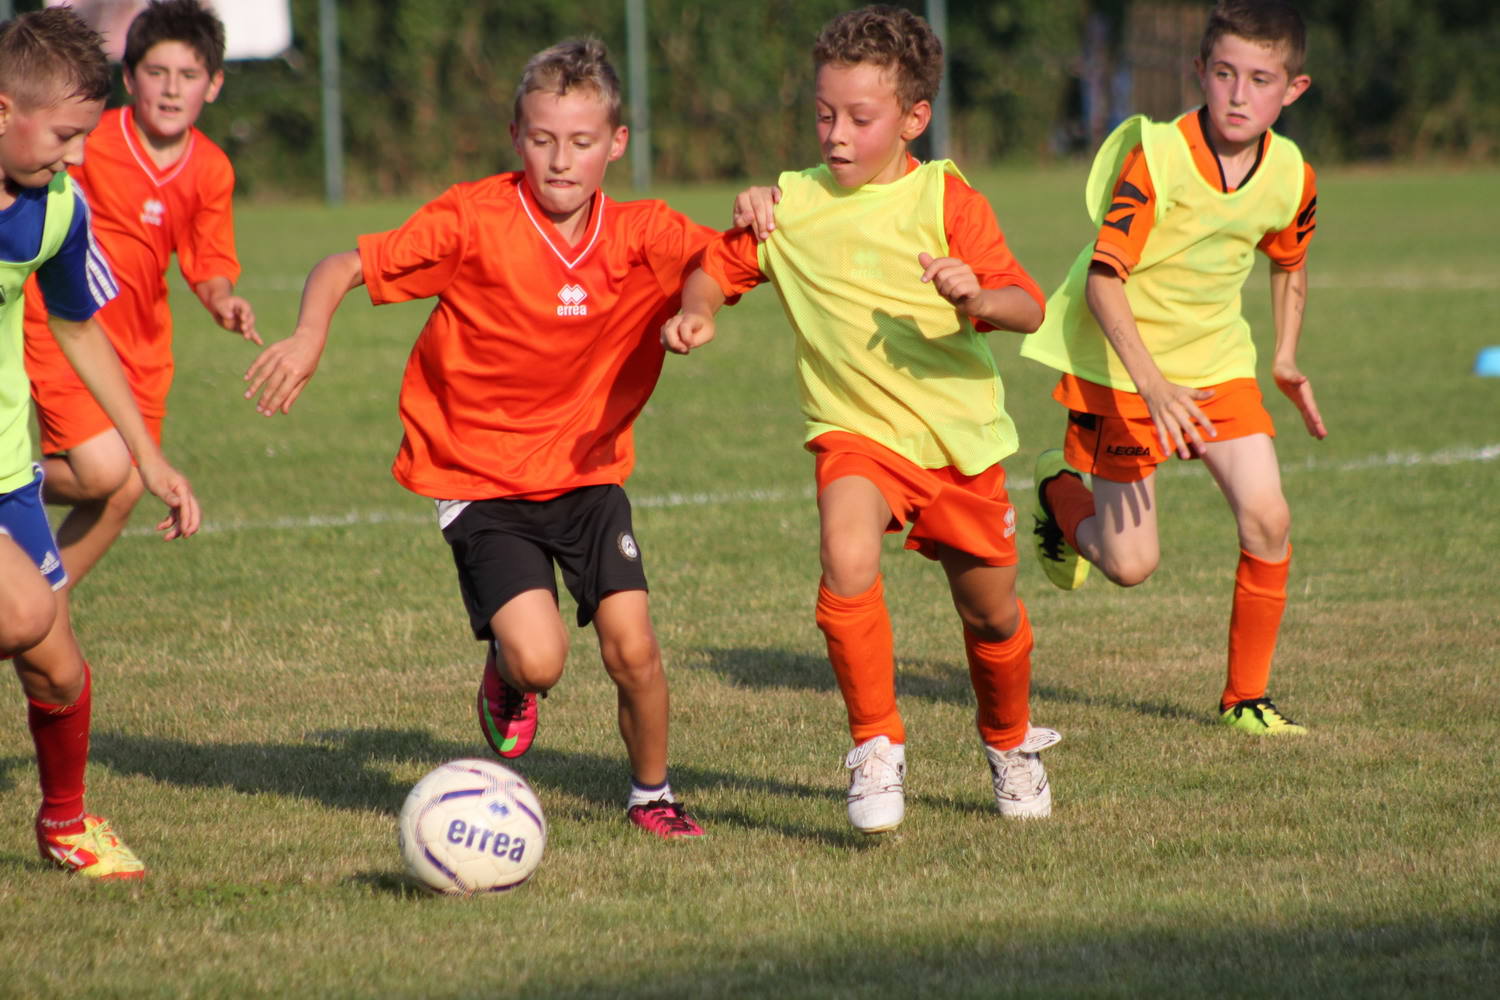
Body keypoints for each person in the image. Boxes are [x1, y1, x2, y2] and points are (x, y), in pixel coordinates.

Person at [244, 39, 714, 839]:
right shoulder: (473, 218)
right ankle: (506, 668)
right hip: (480, 477)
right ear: (515, 135)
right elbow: (343, 263)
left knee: (634, 647)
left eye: (582, 142)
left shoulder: (642, 231)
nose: (560, 161)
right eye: (541, 140)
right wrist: (310, 334)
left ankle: (652, 797)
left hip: (587, 474)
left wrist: (697, 305)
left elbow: (715, 256)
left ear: (617, 144)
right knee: (542, 660)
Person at [663, 5, 1060, 834]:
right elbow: (715, 264)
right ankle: (877, 746)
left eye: (859, 118)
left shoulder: (945, 197)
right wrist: (700, 310)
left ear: (914, 118)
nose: (835, 134)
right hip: (856, 435)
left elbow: (1028, 307)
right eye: (822, 113)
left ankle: (1010, 740)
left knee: (990, 614)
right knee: (844, 557)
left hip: (958, 446)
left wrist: (976, 296)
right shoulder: (790, 205)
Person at [1021, 0, 1324, 735]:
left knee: (1269, 517)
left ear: (1294, 89)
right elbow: (1102, 280)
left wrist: (1284, 356)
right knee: (1130, 565)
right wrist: (1153, 388)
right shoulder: (1156, 158)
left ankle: (1245, 698)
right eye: (1225, 74)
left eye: (1261, 79)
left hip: (1218, 367)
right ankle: (1059, 497)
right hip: (1126, 373)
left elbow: (1289, 262)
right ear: (1200, 73)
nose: (1240, 94)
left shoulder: (1293, 176)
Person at [0, 7, 200, 879]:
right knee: (23, 611)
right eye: (66, 135)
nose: (78, 156)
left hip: (8, 469)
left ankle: (65, 824)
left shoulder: (55, 210)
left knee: (57, 669)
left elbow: (80, 329)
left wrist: (146, 456)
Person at [22, 0, 256, 596]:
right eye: (157, 73)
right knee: (105, 470)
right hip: (65, 323)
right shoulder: (90, 141)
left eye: (188, 76)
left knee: (124, 489)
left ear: (215, 84)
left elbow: (207, 263)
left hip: (143, 349)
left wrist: (222, 299)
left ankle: (40, 607)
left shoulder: (211, 169)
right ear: (130, 78)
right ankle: (10, 485)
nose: (172, 90)